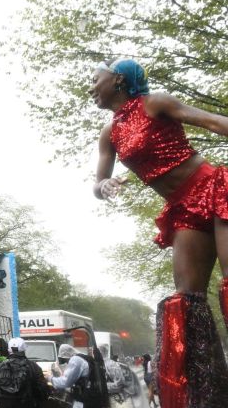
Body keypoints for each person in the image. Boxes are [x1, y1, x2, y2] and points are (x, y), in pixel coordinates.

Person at [91, 58, 228, 406]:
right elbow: (97, 182)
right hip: (183, 209)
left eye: (96, 79)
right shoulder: (110, 133)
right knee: (185, 301)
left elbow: (211, 121)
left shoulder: (156, 103)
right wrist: (104, 185)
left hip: (213, 187)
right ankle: (204, 395)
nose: (91, 87)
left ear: (118, 80)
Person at [0, 337, 50, 408]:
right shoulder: (33, 366)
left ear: (9, 350)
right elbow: (43, 390)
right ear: (24, 350)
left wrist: (2, 400)